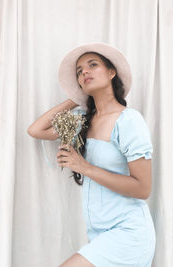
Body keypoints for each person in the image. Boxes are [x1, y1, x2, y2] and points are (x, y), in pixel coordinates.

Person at [27, 42, 156, 267]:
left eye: (92, 65)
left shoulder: (129, 121)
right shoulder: (82, 121)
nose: (84, 72)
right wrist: (76, 97)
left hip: (128, 233)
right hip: (98, 233)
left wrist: (84, 167)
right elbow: (36, 130)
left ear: (111, 72)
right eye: (79, 72)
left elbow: (143, 189)